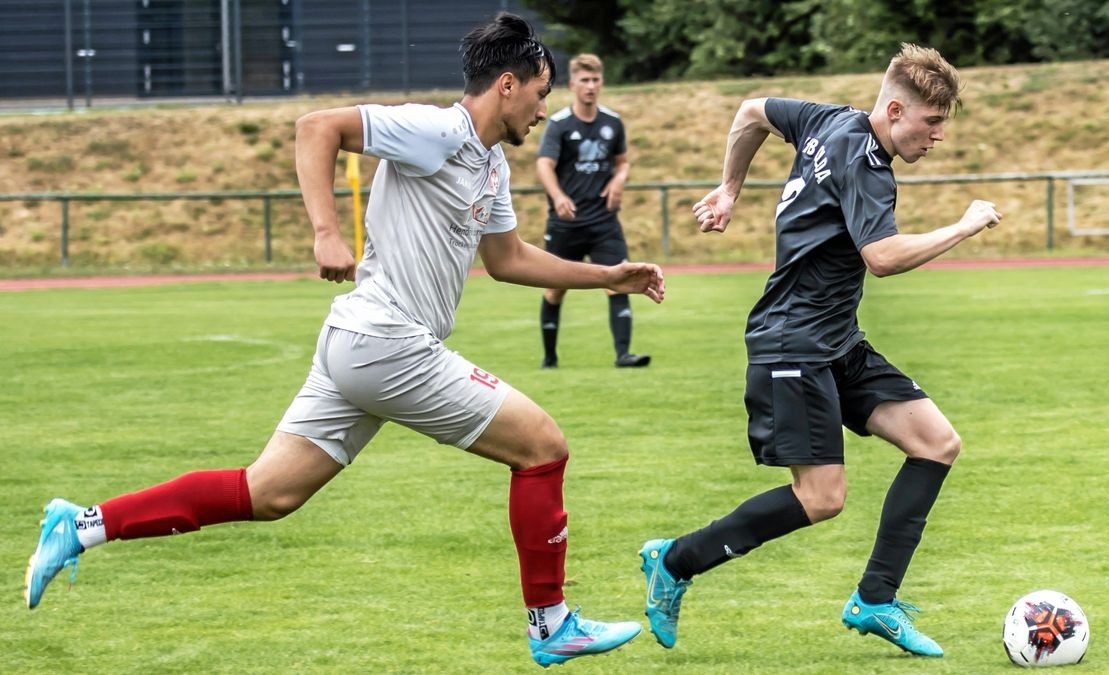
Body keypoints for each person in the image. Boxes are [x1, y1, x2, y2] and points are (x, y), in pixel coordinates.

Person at [24, 13, 662, 668]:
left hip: (359, 345)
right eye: (541, 92)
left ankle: (80, 526)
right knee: (542, 446)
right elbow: (317, 127)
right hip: (387, 340)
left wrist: (609, 276)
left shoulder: (490, 165)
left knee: (268, 492)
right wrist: (327, 231)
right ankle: (550, 622)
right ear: (507, 84)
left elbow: (507, 259)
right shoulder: (436, 130)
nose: (543, 107)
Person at [639, 43, 1002, 657]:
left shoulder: (827, 117)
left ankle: (876, 601)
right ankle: (675, 560)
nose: (939, 136)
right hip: (793, 342)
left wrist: (729, 187)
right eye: (932, 122)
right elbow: (882, 259)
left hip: (836, 340)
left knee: (936, 443)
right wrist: (963, 226)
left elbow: (752, 111)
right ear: (894, 109)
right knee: (821, 498)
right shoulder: (866, 162)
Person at [535, 53, 650, 369]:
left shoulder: (612, 122)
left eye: (595, 80)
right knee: (555, 289)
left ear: (601, 83)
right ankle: (549, 358)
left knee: (619, 280)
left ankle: (624, 355)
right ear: (572, 84)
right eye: (584, 80)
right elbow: (544, 165)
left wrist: (619, 179)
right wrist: (558, 196)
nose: (590, 86)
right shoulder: (559, 124)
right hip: (567, 222)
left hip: (603, 221)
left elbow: (623, 162)